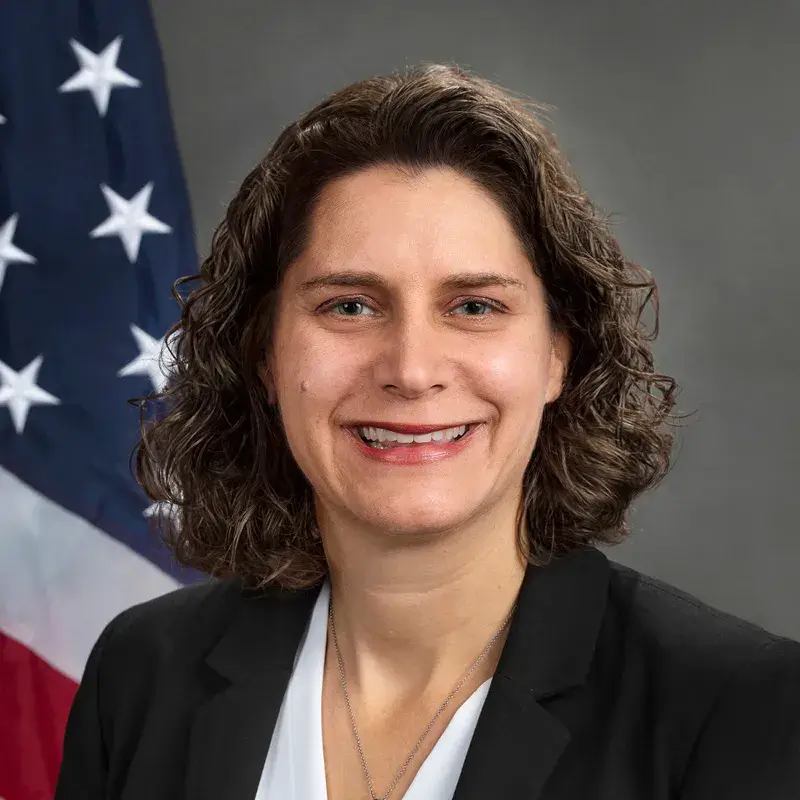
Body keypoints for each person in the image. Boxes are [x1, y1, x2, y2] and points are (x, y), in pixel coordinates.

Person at [55, 63, 800, 800]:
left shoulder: (739, 708)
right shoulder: (144, 673)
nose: (412, 370)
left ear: (556, 356)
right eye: (349, 305)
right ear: (264, 355)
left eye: (474, 306)